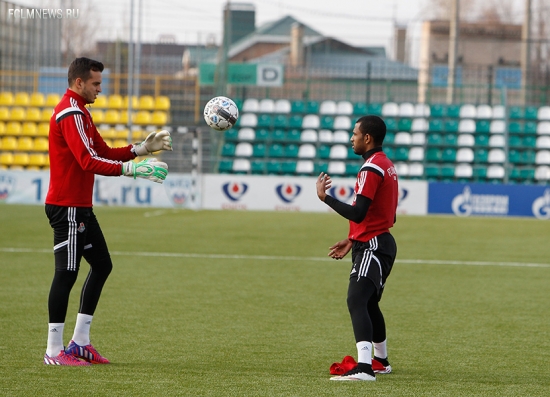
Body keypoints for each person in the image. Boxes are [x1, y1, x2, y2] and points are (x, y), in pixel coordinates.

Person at [43, 57, 172, 366]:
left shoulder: (81, 113)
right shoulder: (70, 112)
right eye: (96, 83)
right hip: (67, 207)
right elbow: (88, 162)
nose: (100, 89)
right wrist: (132, 170)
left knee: (102, 265)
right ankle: (53, 351)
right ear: (79, 83)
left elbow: (101, 151)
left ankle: (80, 343)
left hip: (80, 207)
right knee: (67, 273)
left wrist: (141, 149)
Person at [316, 115, 398, 381]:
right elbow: (384, 215)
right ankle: (381, 361)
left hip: (373, 244)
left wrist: (325, 198)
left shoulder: (371, 168)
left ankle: (364, 368)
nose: (351, 138)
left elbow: (359, 213)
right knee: (369, 302)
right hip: (377, 241)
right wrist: (351, 239)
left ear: (367, 138)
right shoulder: (385, 165)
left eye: (354, 133)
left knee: (356, 300)